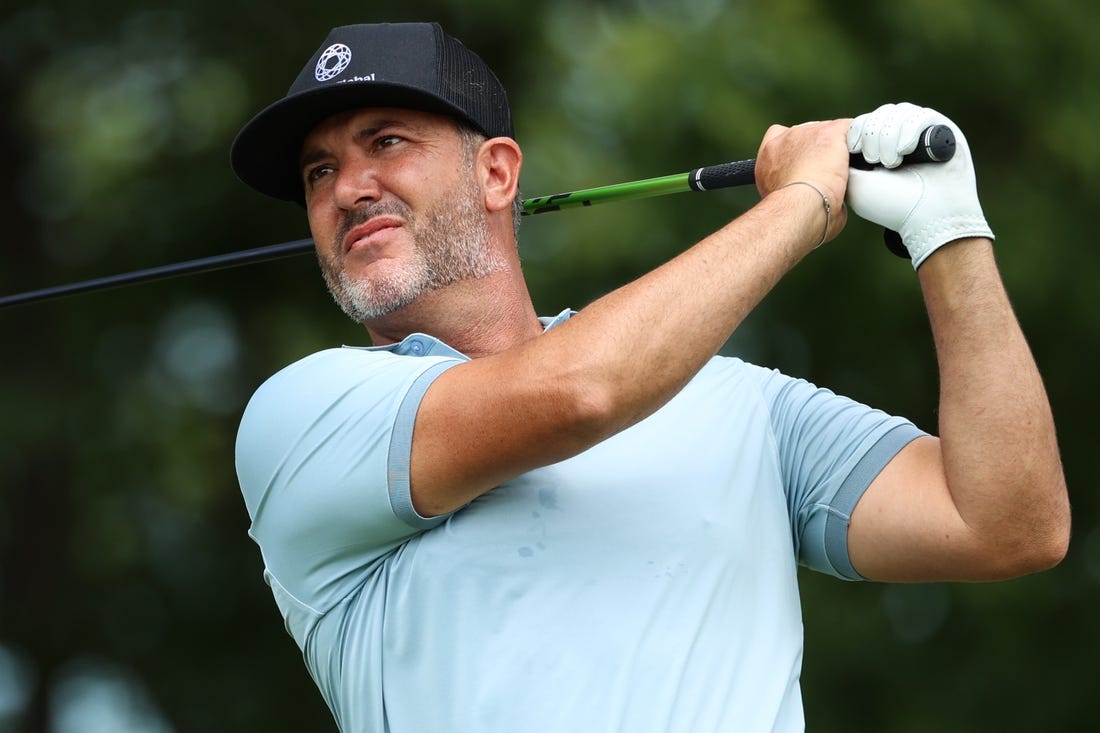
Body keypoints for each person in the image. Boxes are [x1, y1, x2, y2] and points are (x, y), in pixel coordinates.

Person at [230, 21, 1070, 733]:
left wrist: (949, 229)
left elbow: (1007, 523)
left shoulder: (743, 405)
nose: (349, 188)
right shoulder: (303, 417)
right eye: (319, 172)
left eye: (386, 141)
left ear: (496, 174)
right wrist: (803, 200)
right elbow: (578, 392)